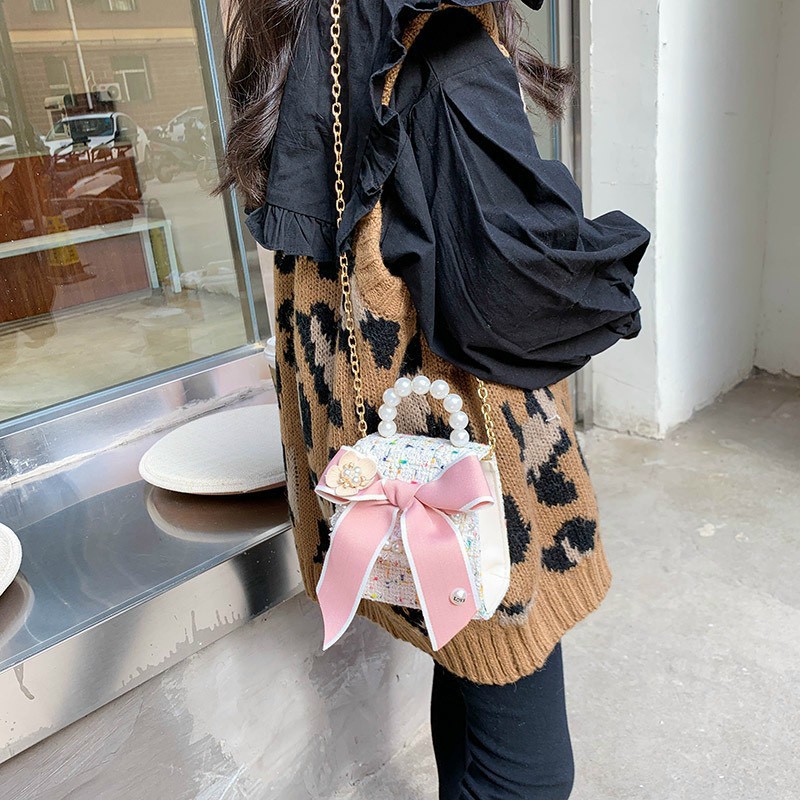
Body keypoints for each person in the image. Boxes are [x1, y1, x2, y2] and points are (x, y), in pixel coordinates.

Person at [219, 2, 650, 797]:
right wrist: (614, 273)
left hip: (388, 460)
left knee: (469, 676)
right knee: (529, 772)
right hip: (480, 485)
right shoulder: (437, 36)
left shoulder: (308, 26)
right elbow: (513, 301)